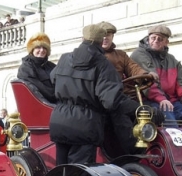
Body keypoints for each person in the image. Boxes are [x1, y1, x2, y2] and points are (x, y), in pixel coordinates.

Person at [49, 24, 140, 165]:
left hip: (60, 122)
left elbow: (53, 80)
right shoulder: (103, 64)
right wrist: (139, 109)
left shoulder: (64, 58)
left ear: (82, 38)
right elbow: (111, 101)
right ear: (100, 41)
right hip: (85, 126)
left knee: (61, 171)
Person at [130, 24, 182, 127]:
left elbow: (181, 81)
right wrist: (161, 99)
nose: (156, 40)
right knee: (166, 110)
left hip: (169, 100)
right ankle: (173, 141)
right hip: (149, 100)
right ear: (148, 39)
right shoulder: (139, 55)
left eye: (160, 39)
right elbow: (148, 82)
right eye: (153, 38)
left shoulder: (172, 60)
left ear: (166, 42)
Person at [17, 32, 57, 103]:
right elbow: (38, 89)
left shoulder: (51, 66)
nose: (42, 50)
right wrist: (58, 95)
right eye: (38, 47)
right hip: (45, 104)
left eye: (44, 48)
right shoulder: (26, 68)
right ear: (32, 50)